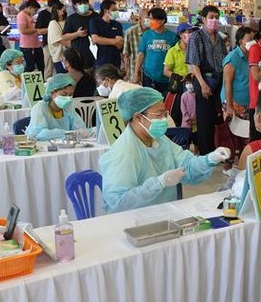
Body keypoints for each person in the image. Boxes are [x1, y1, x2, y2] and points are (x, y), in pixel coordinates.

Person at [99, 87, 231, 213]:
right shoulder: (124, 152)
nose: (164, 119)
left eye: (165, 113)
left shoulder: (159, 140)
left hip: (165, 212)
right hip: (135, 220)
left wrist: (210, 159)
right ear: (138, 117)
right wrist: (159, 183)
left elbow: (187, 167)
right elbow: (117, 203)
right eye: (158, 114)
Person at [186, 5, 228, 155]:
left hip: (218, 80)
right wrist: (203, 84)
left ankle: (216, 149)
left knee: (216, 117)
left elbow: (224, 60)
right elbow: (194, 63)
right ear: (203, 19)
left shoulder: (220, 38)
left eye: (216, 17)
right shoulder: (196, 37)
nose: (214, 20)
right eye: (211, 17)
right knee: (204, 119)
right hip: (203, 80)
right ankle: (205, 153)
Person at [26, 73, 87, 141]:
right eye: (64, 94)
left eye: (70, 94)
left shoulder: (69, 106)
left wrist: (85, 132)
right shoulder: (40, 108)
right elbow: (39, 134)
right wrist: (67, 133)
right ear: (52, 93)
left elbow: (80, 128)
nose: (67, 98)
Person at [134, 8, 177, 95]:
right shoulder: (146, 35)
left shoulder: (173, 37)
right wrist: (136, 73)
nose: (148, 21)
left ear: (161, 21)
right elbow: (141, 54)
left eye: (151, 19)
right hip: (149, 77)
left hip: (166, 78)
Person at [164, 23, 196, 126]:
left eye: (192, 32)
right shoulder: (172, 51)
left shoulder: (196, 50)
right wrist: (178, 77)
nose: (191, 35)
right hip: (179, 88)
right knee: (178, 114)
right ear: (181, 35)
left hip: (194, 86)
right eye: (188, 32)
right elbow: (166, 71)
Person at [222, 26, 253, 121]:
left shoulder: (251, 55)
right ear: (241, 42)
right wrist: (230, 107)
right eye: (250, 40)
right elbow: (227, 83)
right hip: (235, 103)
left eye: (253, 39)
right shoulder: (232, 58)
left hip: (248, 102)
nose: (253, 42)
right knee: (236, 133)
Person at [63, 0, 98, 72]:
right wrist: (77, 34)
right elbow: (64, 37)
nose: (83, 5)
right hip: (78, 56)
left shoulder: (96, 16)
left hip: (96, 56)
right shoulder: (71, 19)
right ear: (75, 5)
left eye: (84, 2)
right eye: (79, 3)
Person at [90, 0, 124, 69]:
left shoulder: (117, 24)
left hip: (115, 62)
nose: (116, 12)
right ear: (106, 11)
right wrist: (114, 41)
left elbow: (120, 43)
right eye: (114, 10)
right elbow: (95, 39)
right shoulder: (95, 22)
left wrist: (102, 40)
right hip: (101, 62)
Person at [17, 0, 44, 75]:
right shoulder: (21, 15)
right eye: (35, 10)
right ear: (30, 8)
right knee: (30, 67)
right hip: (27, 46)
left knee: (41, 65)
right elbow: (23, 30)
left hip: (36, 45)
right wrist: (36, 29)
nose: (35, 12)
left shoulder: (30, 16)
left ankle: (40, 82)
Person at [35, 0, 60, 80]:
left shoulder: (59, 14)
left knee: (59, 65)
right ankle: (47, 83)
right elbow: (38, 31)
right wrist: (52, 28)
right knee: (48, 65)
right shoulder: (43, 14)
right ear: (50, 6)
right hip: (47, 43)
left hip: (59, 43)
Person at [123, 8, 148, 84]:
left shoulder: (153, 32)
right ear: (140, 18)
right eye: (147, 17)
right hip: (134, 71)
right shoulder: (130, 32)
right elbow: (126, 55)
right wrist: (126, 73)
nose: (150, 20)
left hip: (149, 73)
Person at [47, 1, 67, 74]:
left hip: (67, 55)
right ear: (57, 10)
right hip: (59, 56)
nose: (64, 11)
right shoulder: (53, 23)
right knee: (63, 76)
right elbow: (59, 40)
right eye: (62, 9)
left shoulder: (66, 21)